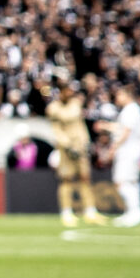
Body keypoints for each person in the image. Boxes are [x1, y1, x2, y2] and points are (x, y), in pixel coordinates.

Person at [50, 88, 94, 227]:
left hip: (80, 147)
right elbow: (56, 130)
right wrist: (67, 146)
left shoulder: (76, 104)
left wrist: (86, 143)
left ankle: (90, 211)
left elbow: (81, 126)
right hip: (66, 150)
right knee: (67, 179)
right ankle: (67, 212)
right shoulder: (54, 108)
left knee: (85, 178)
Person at [107, 93, 140, 228]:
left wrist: (114, 147)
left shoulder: (130, 110)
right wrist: (105, 126)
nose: (117, 98)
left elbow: (126, 131)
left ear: (127, 95)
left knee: (121, 181)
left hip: (128, 151)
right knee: (131, 182)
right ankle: (133, 211)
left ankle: (135, 211)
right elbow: (122, 128)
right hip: (132, 151)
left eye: (119, 95)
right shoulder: (133, 110)